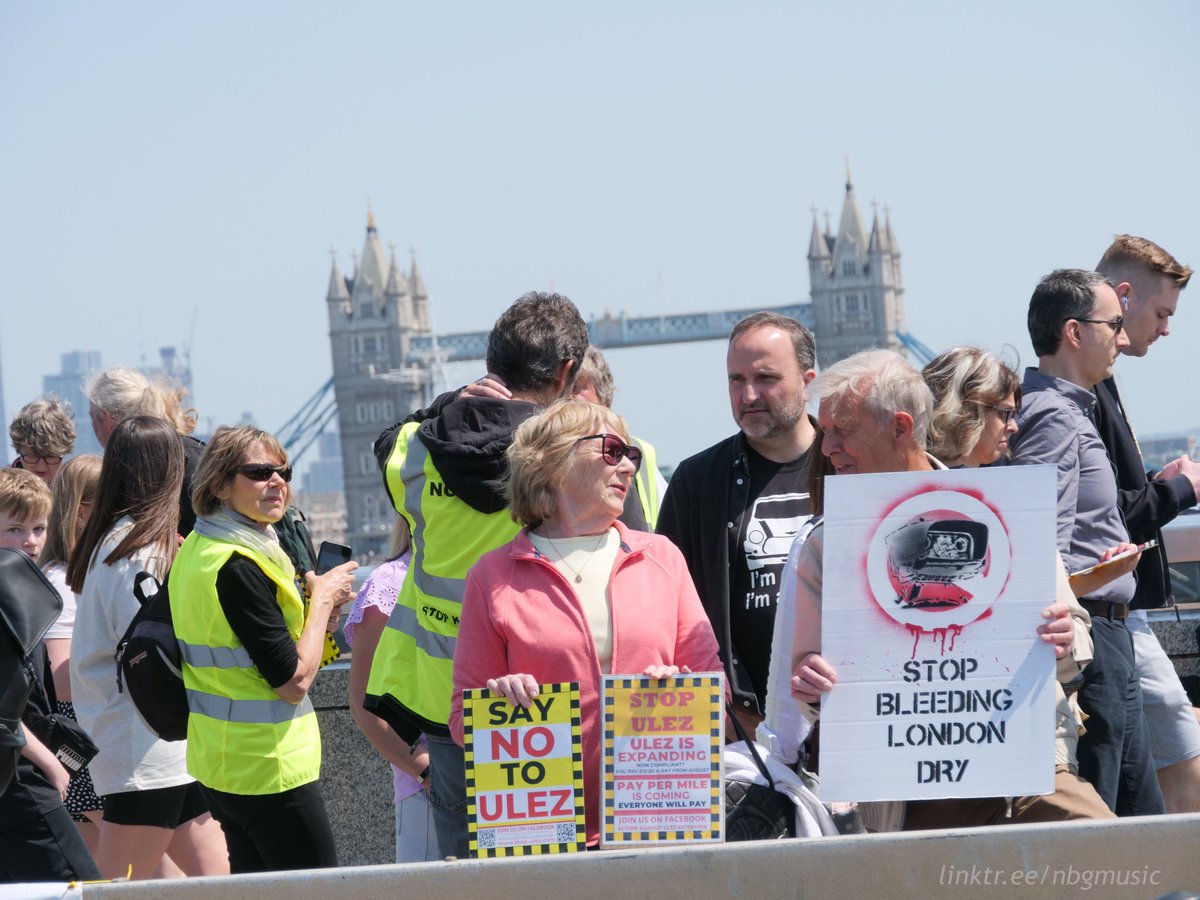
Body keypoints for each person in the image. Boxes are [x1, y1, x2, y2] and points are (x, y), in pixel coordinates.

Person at [788, 350, 1079, 829]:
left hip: (1031, 768)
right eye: (825, 433)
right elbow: (806, 682)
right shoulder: (826, 543)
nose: (826, 448)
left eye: (843, 430)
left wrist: (1065, 639)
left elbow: (1078, 638)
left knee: (1117, 852)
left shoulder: (1005, 511)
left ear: (901, 427)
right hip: (911, 786)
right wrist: (812, 684)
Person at [365, 291, 589, 857]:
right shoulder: (570, 455)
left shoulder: (415, 450)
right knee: (553, 869)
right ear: (565, 371)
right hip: (545, 690)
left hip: (445, 697)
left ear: (491, 364)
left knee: (469, 875)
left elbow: (386, 441)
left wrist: (448, 403)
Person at [449, 399, 723, 846]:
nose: (629, 467)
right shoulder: (492, 576)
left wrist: (684, 688)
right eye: (612, 451)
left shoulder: (663, 558)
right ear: (553, 462)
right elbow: (463, 719)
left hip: (659, 824)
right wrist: (498, 699)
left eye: (631, 455)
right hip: (546, 836)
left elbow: (716, 689)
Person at [900, 346, 1116, 826]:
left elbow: (1077, 634)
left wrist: (1064, 636)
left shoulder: (1016, 510)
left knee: (1107, 846)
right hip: (931, 764)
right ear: (965, 410)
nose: (1014, 427)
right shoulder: (883, 509)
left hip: (1028, 752)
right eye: (1004, 413)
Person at [1008, 269, 1165, 816]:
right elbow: (1037, 543)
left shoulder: (1065, 406)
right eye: (1114, 325)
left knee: (1135, 810)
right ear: (1074, 333)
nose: (1123, 338)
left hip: (1105, 630)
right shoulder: (1054, 414)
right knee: (1111, 816)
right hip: (1091, 638)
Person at [170, 425, 357, 873]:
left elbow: (247, 645)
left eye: (284, 471)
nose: (278, 482)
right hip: (268, 769)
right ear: (218, 483)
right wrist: (324, 602)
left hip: (222, 765)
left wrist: (316, 614)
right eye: (258, 472)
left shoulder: (199, 547)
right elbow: (292, 681)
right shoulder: (239, 564)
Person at [67, 416, 228, 880]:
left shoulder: (114, 541)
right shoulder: (140, 550)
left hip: (145, 743)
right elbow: (157, 646)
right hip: (146, 746)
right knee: (121, 889)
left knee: (223, 884)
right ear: (168, 472)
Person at [657, 312, 818, 731]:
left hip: (845, 716)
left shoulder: (849, 469)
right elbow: (666, 610)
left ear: (807, 378)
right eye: (735, 380)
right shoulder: (696, 483)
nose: (748, 395)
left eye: (765, 378)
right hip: (741, 729)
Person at [1093, 235, 1200, 813]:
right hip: (1110, 611)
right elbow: (1108, 519)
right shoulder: (1084, 392)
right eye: (1161, 314)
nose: (1165, 330)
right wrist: (1181, 488)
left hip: (1116, 611)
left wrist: (1162, 482)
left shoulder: (1094, 384)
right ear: (1124, 297)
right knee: (1178, 743)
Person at [0, 468, 101, 883]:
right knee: (81, 887)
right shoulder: (10, 597)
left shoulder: (19, 590)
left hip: (16, 772)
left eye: (39, 527)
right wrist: (52, 766)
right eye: (15, 528)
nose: (31, 540)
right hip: (19, 776)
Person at [346, 523, 438, 863]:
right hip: (427, 787)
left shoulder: (490, 566)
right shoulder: (390, 582)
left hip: (501, 775)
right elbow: (363, 702)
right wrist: (424, 770)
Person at [39, 454, 104, 853]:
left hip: (90, 734)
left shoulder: (85, 572)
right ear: (82, 512)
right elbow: (63, 682)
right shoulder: (63, 581)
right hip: (88, 734)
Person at [87, 367, 205, 535]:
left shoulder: (131, 470)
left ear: (107, 421)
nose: (92, 426)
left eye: (92, 417)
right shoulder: (191, 454)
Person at [571, 345, 666, 529]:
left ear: (602, 395)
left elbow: (668, 521)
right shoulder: (546, 453)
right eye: (562, 388)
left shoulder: (640, 451)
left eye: (576, 387)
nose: (567, 397)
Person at [9, 397, 76, 485]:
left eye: (50, 456)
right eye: (33, 456)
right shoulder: (4, 492)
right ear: (19, 450)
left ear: (64, 452)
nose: (41, 467)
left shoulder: (78, 489)